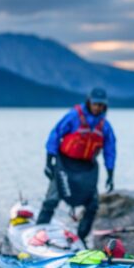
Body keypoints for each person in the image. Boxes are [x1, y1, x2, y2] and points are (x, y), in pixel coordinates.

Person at [36, 87, 116, 244]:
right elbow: (55, 134)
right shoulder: (73, 117)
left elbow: (110, 150)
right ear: (89, 102)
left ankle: (80, 239)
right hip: (65, 164)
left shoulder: (105, 126)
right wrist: (48, 161)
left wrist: (110, 174)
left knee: (92, 205)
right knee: (51, 200)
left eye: (101, 105)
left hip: (87, 168)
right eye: (95, 104)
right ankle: (38, 233)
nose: (98, 107)